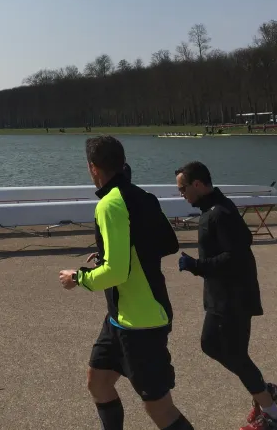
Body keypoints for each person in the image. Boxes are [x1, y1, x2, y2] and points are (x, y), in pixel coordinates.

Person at [58, 136, 193, 430]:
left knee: (159, 408)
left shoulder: (109, 204)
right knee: (98, 382)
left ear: (93, 167)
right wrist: (115, 251)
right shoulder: (144, 197)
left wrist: (77, 277)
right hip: (119, 318)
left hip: (141, 322)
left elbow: (116, 273)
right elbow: (168, 243)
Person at [175, 161, 277, 430]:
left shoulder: (220, 212)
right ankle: (265, 393)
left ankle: (274, 417)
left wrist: (197, 266)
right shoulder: (214, 209)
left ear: (197, 184)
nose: (181, 194)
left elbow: (235, 257)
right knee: (214, 346)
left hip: (233, 298)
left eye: (183, 189)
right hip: (222, 296)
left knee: (232, 353)